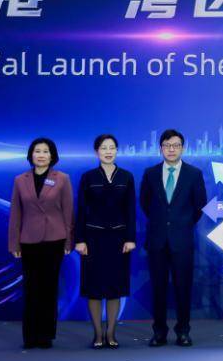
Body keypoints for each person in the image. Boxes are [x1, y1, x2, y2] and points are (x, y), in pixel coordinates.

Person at [139, 129, 207, 347]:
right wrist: (162, 223)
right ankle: (159, 332)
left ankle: (183, 331)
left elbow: (199, 206)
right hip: (157, 240)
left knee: (183, 288)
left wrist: (182, 224)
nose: (171, 149)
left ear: (182, 148)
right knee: (158, 288)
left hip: (182, 240)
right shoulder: (150, 173)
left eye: (176, 145)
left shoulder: (194, 174)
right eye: (167, 145)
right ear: (161, 148)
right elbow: (145, 203)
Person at [7, 137, 73, 349]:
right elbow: (16, 214)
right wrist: (14, 244)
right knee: (31, 288)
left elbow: (68, 212)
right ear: (31, 155)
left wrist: (69, 242)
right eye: (37, 151)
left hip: (54, 240)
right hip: (29, 241)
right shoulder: (20, 180)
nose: (41, 155)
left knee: (49, 289)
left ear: (52, 156)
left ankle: (45, 335)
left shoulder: (62, 179)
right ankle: (30, 335)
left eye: (45, 151)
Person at [75, 134, 136, 349]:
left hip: (118, 240)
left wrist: (130, 238)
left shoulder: (127, 177)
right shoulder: (88, 177)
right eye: (104, 148)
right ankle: (98, 334)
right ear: (96, 152)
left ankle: (111, 333)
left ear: (117, 151)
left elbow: (130, 210)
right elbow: (81, 210)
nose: (108, 152)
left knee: (114, 287)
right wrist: (80, 240)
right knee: (94, 287)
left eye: (112, 148)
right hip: (92, 239)